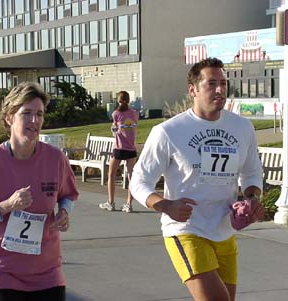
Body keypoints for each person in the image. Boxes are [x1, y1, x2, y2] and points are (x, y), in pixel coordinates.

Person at [130, 57, 265, 301]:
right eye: (211, 83)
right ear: (192, 89)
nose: (220, 90)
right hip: (186, 230)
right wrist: (165, 205)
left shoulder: (242, 127)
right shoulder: (168, 131)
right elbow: (138, 181)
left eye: (223, 83)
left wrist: (251, 198)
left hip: (224, 231)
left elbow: (252, 172)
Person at [0, 82, 79, 301]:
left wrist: (64, 212)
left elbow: (68, 194)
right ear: (9, 117)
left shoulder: (55, 159)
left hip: (46, 274)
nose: (34, 120)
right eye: (26, 113)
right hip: (0, 274)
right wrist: (5, 206)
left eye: (39, 114)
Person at [99, 91, 139, 213]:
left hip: (119, 148)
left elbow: (115, 130)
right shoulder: (135, 113)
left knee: (111, 175)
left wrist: (114, 127)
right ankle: (128, 204)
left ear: (118, 100)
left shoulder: (116, 114)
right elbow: (131, 127)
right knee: (131, 177)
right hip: (131, 149)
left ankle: (110, 202)